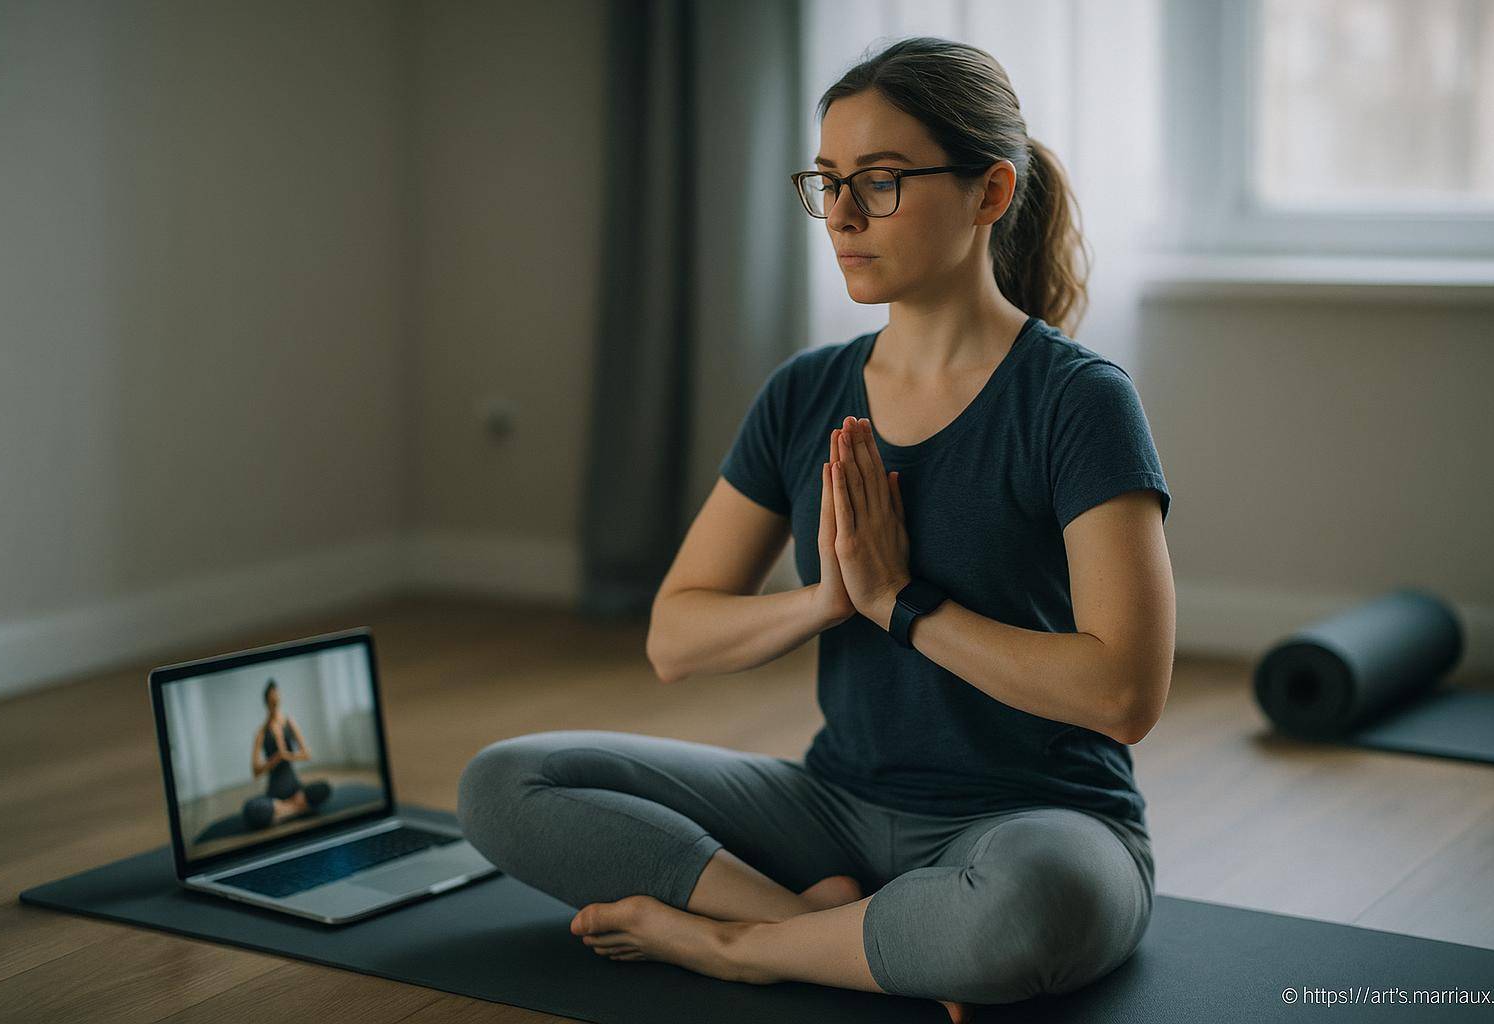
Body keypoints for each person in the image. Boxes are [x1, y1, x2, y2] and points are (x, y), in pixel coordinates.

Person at [457, 35, 1174, 1022]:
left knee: (1033, 912)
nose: (839, 215)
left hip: (1035, 821)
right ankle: (817, 928)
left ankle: (739, 946)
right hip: (830, 810)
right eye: (827, 181)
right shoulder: (806, 394)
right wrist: (827, 601)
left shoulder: (1075, 402)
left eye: (878, 183)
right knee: (506, 781)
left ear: (991, 193)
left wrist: (901, 605)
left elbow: (1125, 692)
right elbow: (674, 635)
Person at [242, 679, 332, 830]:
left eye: (277, 698)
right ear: (267, 702)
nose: (276, 702)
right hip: (274, 796)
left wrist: (287, 756)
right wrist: (275, 759)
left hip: (296, 790)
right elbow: (255, 771)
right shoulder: (261, 732)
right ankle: (297, 809)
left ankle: (284, 812)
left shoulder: (289, 722)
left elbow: (307, 754)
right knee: (250, 809)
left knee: (324, 788)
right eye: (272, 700)